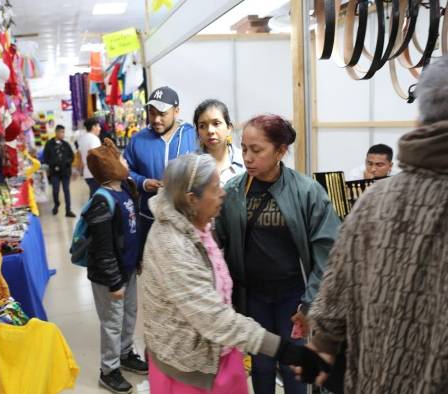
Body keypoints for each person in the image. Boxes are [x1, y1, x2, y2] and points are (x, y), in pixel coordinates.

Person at [300, 54, 448, 394]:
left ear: (419, 121)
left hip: (377, 377)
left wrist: (322, 344)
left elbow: (335, 295)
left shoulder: (374, 203)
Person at [142, 153, 330, 394]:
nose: (222, 192)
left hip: (221, 348)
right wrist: (286, 350)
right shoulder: (173, 246)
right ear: (192, 199)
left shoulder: (196, 223)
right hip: (191, 370)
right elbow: (212, 318)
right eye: (214, 188)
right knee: (263, 367)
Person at [215, 115, 341, 394]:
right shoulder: (234, 191)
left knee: (294, 364)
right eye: (244, 148)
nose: (247, 157)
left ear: (281, 151)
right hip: (253, 297)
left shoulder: (306, 192)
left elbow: (328, 252)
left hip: (293, 299)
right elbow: (215, 240)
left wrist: (309, 304)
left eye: (256, 150)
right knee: (260, 364)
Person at [85, 139, 148, 394]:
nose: (126, 163)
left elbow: (133, 231)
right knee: (112, 321)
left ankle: (124, 353)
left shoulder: (125, 190)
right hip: (109, 276)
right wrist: (113, 281)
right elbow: (102, 249)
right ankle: (109, 370)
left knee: (129, 314)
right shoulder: (102, 200)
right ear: (110, 167)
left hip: (128, 269)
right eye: (121, 160)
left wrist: (138, 260)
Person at [124, 86, 197, 256]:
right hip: (150, 219)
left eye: (162, 114)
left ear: (176, 111)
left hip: (186, 220)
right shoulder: (137, 140)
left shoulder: (192, 136)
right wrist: (143, 182)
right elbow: (124, 172)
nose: (156, 119)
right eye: (152, 113)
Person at [194, 99, 245, 185]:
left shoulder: (245, 162)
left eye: (216, 123)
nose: (210, 131)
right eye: (202, 126)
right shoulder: (191, 167)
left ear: (229, 127)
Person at [42, 124, 76, 217]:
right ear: (56, 132)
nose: (63, 134)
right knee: (55, 190)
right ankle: (56, 204)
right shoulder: (49, 144)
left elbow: (72, 156)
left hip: (65, 172)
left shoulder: (66, 144)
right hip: (54, 172)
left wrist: (67, 162)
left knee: (66, 190)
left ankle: (68, 210)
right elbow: (45, 158)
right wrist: (53, 164)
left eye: (64, 132)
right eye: (61, 132)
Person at [78, 117, 102, 197]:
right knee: (96, 197)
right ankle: (90, 209)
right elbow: (96, 156)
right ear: (93, 127)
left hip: (87, 173)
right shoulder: (94, 139)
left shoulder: (82, 139)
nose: (100, 128)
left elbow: (80, 156)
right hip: (94, 173)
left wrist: (80, 170)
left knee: (94, 195)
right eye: (98, 126)